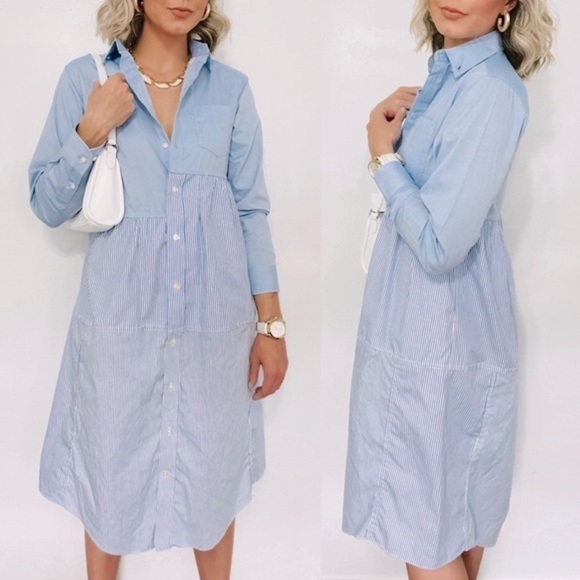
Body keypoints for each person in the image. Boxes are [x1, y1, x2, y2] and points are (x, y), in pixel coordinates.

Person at [29, 1, 288, 578]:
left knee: (212, 482)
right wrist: (92, 129)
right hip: (119, 326)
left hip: (214, 328)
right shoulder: (87, 79)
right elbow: (46, 203)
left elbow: (250, 211)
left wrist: (271, 326)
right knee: (109, 472)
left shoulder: (231, 91)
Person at [342, 1, 554, 579]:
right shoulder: (447, 78)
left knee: (432, 534)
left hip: (443, 341)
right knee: (448, 528)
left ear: (508, 4)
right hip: (421, 335)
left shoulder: (490, 91)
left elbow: (440, 244)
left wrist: (382, 157)